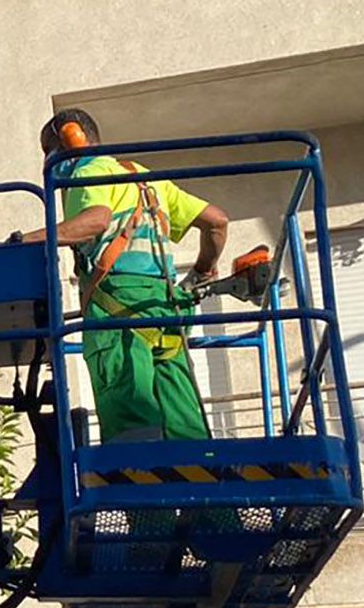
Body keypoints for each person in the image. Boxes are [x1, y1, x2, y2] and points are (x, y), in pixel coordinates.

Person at [24, 108, 230, 444]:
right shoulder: (147, 178)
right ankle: (201, 482)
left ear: (70, 138)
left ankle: (136, 477)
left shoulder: (89, 172)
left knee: (128, 402)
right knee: (180, 407)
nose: (49, 162)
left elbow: (96, 220)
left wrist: (26, 240)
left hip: (119, 306)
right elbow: (217, 221)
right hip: (166, 306)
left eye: (49, 151)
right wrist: (202, 271)